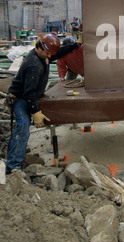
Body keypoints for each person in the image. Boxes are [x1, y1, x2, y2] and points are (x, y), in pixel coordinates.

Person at [5, 34, 80, 174]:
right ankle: (12, 169)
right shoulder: (34, 64)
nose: (48, 56)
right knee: (22, 127)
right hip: (21, 98)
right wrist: (35, 112)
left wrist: (75, 45)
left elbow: (59, 53)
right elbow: (29, 93)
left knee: (21, 129)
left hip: (29, 95)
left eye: (50, 54)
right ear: (40, 47)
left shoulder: (42, 54)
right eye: (47, 53)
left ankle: (14, 158)